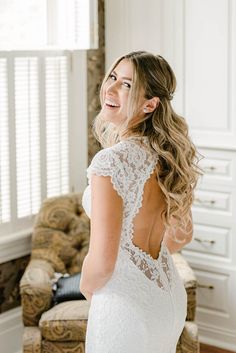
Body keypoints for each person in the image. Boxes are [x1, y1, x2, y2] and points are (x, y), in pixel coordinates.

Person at [80, 50, 203, 353]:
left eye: (127, 85)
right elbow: (181, 235)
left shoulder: (109, 162)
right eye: (113, 77)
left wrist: (87, 288)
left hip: (124, 307)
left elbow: (102, 261)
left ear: (150, 104)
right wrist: (141, 259)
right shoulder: (167, 155)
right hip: (167, 297)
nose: (110, 89)